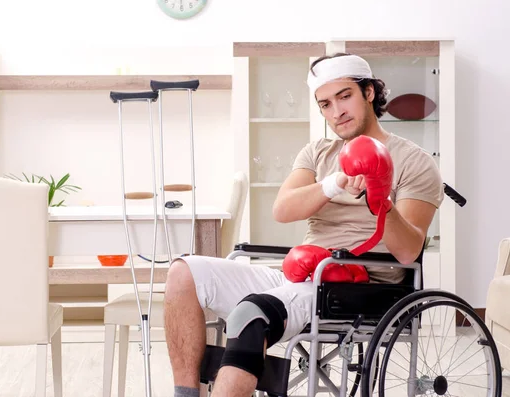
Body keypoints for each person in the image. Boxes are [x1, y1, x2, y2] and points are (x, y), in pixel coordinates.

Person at [163, 53, 444, 397]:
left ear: (369, 92)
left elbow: (408, 250)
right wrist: (334, 183)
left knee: (251, 315)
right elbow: (282, 208)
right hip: (303, 272)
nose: (336, 112)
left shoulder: (415, 162)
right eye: (325, 104)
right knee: (183, 273)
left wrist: (379, 195)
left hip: (358, 285)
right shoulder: (318, 153)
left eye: (345, 96)